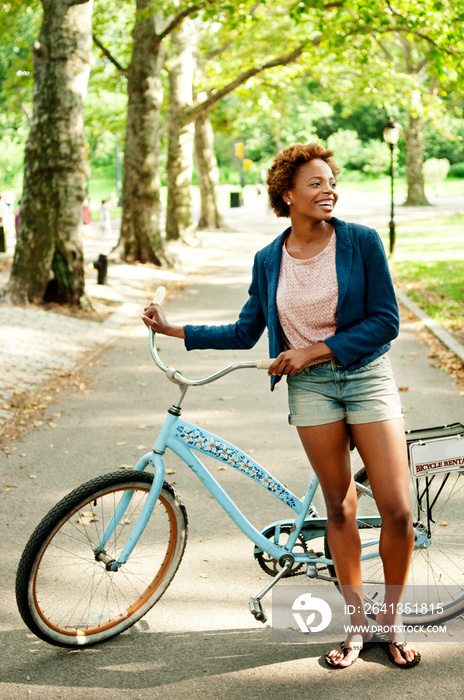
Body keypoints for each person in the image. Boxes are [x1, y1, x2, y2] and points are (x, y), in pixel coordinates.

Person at [141, 143, 421, 670]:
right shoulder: (269, 259)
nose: (328, 189)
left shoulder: (361, 242)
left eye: (331, 181)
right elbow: (248, 330)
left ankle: (393, 623)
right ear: (287, 195)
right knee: (338, 506)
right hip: (311, 391)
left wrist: (314, 349)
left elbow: (386, 320)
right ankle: (358, 629)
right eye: (315, 183)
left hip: (366, 378)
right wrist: (175, 329)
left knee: (397, 509)